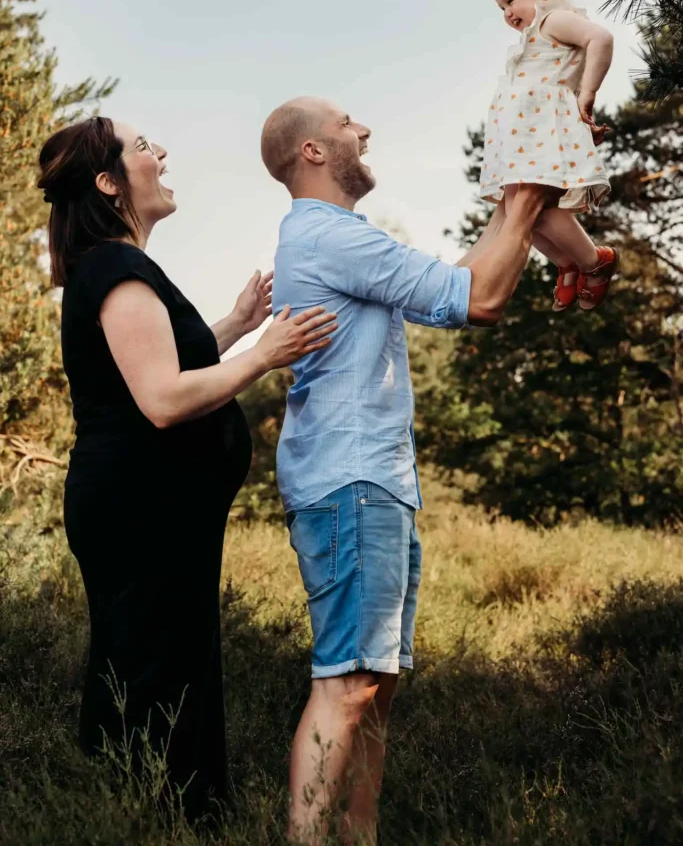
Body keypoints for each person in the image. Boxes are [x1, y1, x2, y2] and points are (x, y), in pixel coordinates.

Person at [260, 96, 554, 845]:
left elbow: (457, 283)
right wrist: (524, 189)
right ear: (313, 153)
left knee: (374, 687)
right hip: (351, 481)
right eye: (347, 123)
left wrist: (515, 202)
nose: (363, 129)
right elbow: (480, 299)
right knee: (347, 682)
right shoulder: (330, 238)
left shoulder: (335, 240)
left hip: (369, 481)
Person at [36, 116, 337, 821]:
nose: (160, 153)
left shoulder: (116, 267)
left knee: (164, 663)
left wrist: (233, 326)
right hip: (142, 511)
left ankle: (159, 816)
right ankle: (159, 820)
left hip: (153, 510)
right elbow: (163, 398)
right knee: (153, 671)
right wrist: (263, 355)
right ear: (110, 183)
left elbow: (159, 359)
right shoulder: (116, 266)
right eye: (143, 148)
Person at [485, 0, 618, 311]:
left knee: (539, 210)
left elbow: (601, 38)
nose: (506, 13)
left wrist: (586, 94)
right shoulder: (536, 30)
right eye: (501, 7)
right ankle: (568, 265)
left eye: (509, 1)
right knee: (519, 215)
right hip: (523, 138)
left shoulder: (553, 18)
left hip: (543, 135)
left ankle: (595, 261)